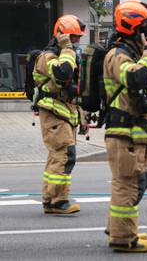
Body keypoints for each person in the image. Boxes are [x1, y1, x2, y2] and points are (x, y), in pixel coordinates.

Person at [104, 0, 147, 253]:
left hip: (132, 134)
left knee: (135, 182)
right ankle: (123, 238)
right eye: (146, 30)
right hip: (123, 134)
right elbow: (135, 78)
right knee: (128, 184)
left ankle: (120, 228)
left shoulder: (130, 54)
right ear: (133, 29)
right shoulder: (117, 55)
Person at [34, 15, 85, 215]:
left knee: (58, 157)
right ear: (62, 36)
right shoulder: (48, 57)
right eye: (73, 37)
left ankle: (50, 199)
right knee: (64, 156)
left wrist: (81, 115)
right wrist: (67, 48)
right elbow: (63, 73)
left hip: (64, 113)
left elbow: (71, 89)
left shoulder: (64, 54)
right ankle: (58, 201)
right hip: (54, 114)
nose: (76, 42)